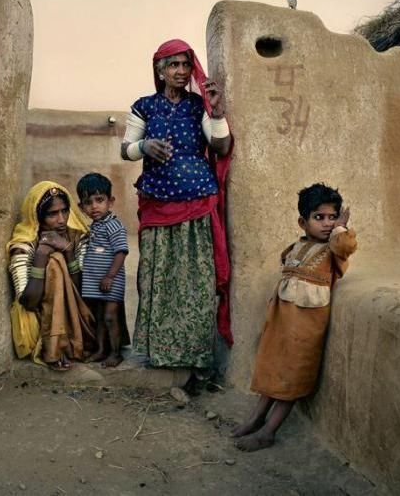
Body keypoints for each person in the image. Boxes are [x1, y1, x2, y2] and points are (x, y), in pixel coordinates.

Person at [120, 38, 233, 372]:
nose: (181, 72)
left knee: (195, 282)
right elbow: (125, 149)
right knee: (156, 279)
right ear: (160, 70)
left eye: (186, 65)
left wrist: (217, 111)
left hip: (196, 204)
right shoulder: (145, 106)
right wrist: (145, 146)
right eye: (173, 65)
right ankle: (161, 352)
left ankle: (194, 355)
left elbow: (221, 146)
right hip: (157, 203)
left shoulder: (199, 106)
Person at [232, 183, 357, 451]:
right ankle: (256, 417)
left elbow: (346, 245)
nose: (326, 223)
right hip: (281, 324)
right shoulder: (298, 245)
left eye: (332, 217)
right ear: (303, 222)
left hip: (305, 331)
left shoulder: (334, 249)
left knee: (292, 376)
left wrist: (341, 229)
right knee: (273, 369)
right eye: (319, 217)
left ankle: (269, 431)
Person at [6, 181, 95, 371]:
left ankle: (64, 343)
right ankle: (53, 345)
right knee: (53, 262)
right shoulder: (24, 244)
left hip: (76, 314)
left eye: (64, 211)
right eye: (52, 214)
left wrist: (68, 251)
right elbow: (28, 302)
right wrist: (41, 256)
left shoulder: (77, 236)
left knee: (57, 260)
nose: (61, 219)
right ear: (38, 216)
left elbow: (83, 291)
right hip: (37, 319)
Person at [76, 172, 131, 368]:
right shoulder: (94, 227)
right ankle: (101, 350)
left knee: (109, 317)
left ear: (111, 201)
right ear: (81, 207)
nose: (94, 206)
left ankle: (115, 353)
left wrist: (110, 275)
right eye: (88, 202)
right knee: (99, 318)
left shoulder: (113, 226)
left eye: (99, 200)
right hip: (95, 283)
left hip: (111, 281)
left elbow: (121, 252)